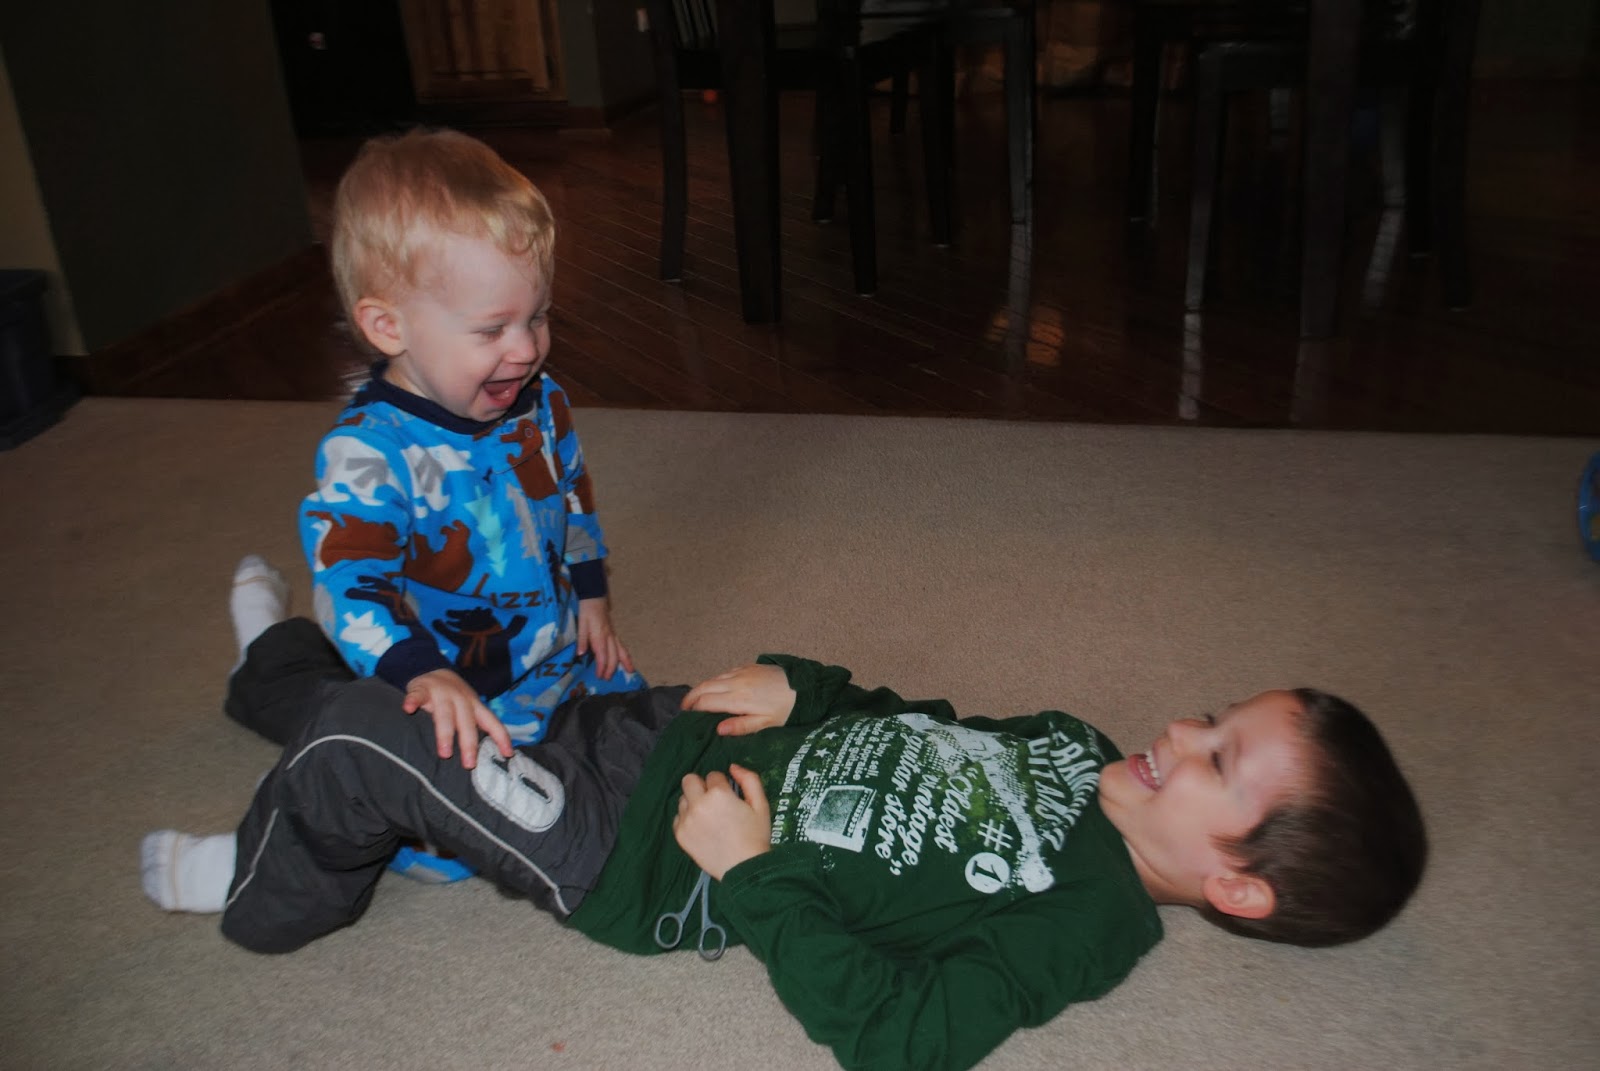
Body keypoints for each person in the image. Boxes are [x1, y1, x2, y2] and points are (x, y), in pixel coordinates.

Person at [146, 564, 1426, 1070]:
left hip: (644, 859)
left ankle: (260, 892)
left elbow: (904, 1039)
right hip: (667, 728)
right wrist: (805, 689)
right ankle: (273, 667)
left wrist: (749, 873)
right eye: (1212, 715)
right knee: (440, 697)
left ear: (1236, 883)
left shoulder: (1087, 923)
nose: (1181, 732)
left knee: (375, 743)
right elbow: (917, 718)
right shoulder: (1074, 748)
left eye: (1218, 760)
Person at [265, 129, 645, 879]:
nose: (526, 349)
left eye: (537, 317)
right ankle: (269, 672)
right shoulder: (369, 454)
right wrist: (420, 673)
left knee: (638, 734)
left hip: (552, 657)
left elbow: (572, 492)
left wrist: (593, 595)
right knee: (456, 838)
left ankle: (271, 649)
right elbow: (348, 586)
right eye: (492, 329)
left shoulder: (541, 402)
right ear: (388, 327)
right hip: (444, 683)